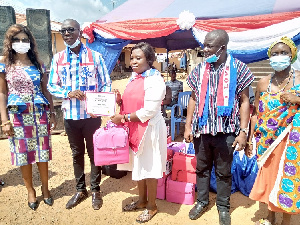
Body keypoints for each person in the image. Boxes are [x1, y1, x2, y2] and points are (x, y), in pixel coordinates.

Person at [184, 29, 254, 225]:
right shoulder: (199, 69)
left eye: (209, 46)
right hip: (202, 130)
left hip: (227, 131)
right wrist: (188, 126)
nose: (205, 49)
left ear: (222, 47)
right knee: (202, 168)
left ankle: (223, 207)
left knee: (224, 172)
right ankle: (202, 201)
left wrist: (243, 132)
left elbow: (245, 102)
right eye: (204, 45)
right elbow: (193, 98)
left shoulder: (239, 69)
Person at [47, 19, 111, 210]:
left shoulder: (95, 57)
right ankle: (80, 189)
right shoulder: (58, 59)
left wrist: (102, 104)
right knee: (77, 154)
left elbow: (106, 83)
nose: (66, 33)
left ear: (79, 32)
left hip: (91, 116)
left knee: (94, 153)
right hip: (71, 116)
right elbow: (51, 85)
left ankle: (95, 190)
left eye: (70, 30)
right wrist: (67, 92)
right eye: (63, 30)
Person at [0, 24, 56, 210]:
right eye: (17, 40)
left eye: (25, 40)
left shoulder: (39, 65)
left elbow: (45, 90)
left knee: (42, 153)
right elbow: (2, 94)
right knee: (24, 154)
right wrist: (4, 121)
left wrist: (52, 113)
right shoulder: (4, 64)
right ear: (10, 42)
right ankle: (31, 191)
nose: (21, 43)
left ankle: (46, 190)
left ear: (30, 42)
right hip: (18, 116)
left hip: (39, 114)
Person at [245, 37, 300, 225]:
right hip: (266, 139)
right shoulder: (263, 83)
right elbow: (255, 112)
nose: (279, 57)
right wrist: (250, 138)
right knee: (269, 176)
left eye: (283, 53)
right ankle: (270, 216)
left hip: (290, 139)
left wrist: (298, 99)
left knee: (286, 177)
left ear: (292, 55)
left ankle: (286, 220)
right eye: (275, 54)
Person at [111, 42, 167, 223]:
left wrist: (124, 118)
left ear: (149, 60)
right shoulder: (133, 78)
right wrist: (120, 100)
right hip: (134, 128)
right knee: (138, 165)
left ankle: (152, 206)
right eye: (132, 58)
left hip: (149, 129)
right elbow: (131, 103)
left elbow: (149, 111)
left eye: (138, 58)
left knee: (149, 167)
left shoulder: (155, 79)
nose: (133, 61)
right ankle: (142, 200)